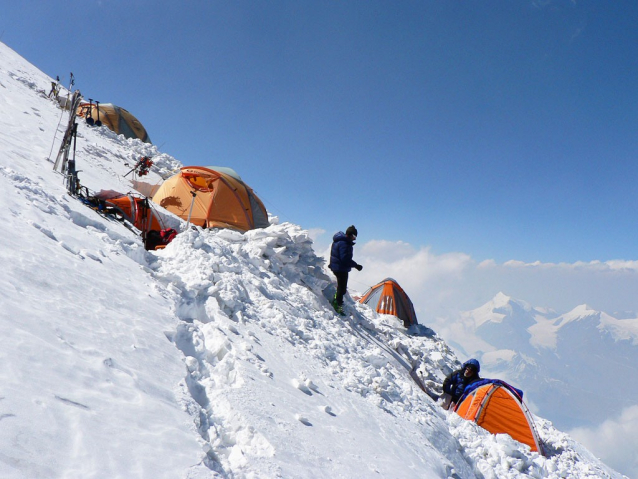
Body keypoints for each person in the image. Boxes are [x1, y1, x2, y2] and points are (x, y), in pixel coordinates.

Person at [329, 225, 363, 315]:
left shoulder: (340, 241)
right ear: (349, 235)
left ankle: (337, 299)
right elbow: (344, 259)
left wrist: (332, 263)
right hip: (341, 268)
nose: (354, 239)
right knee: (342, 288)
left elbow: (335, 254)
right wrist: (356, 265)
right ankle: (337, 305)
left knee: (342, 288)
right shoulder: (344, 243)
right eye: (354, 236)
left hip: (338, 267)